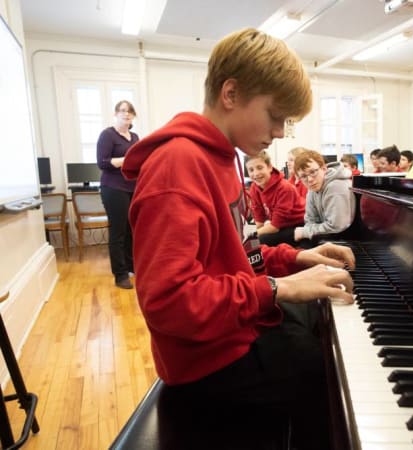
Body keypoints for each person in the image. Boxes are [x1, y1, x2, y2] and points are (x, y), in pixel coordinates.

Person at [121, 28, 355, 450]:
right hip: (208, 362)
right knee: (331, 375)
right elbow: (169, 302)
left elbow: (240, 253)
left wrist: (295, 259)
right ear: (231, 93)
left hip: (234, 331)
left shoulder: (226, 157)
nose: (281, 133)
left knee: (319, 329)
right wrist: (277, 288)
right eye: (275, 116)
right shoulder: (177, 166)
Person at [97, 100, 139, 289]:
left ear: (133, 116)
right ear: (116, 114)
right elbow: (103, 162)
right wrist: (127, 159)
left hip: (132, 188)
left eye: (130, 111)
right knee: (118, 231)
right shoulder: (107, 135)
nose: (126, 114)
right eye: (122, 111)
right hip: (113, 188)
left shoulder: (135, 137)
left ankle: (131, 266)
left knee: (131, 230)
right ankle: (120, 275)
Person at [293, 150, 356, 245]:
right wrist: (307, 231)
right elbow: (310, 220)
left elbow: (336, 227)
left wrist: (305, 232)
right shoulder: (313, 187)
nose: (310, 179)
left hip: (345, 238)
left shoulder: (336, 186)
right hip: (327, 235)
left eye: (313, 172)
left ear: (324, 169)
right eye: (304, 176)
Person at [245, 150, 305, 246]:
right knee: (250, 240)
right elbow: (259, 220)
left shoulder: (284, 188)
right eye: (251, 170)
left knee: (259, 240)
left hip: (299, 225)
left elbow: (275, 227)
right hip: (279, 225)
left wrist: (251, 235)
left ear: (269, 167)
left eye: (259, 168)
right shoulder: (254, 188)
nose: (255, 173)